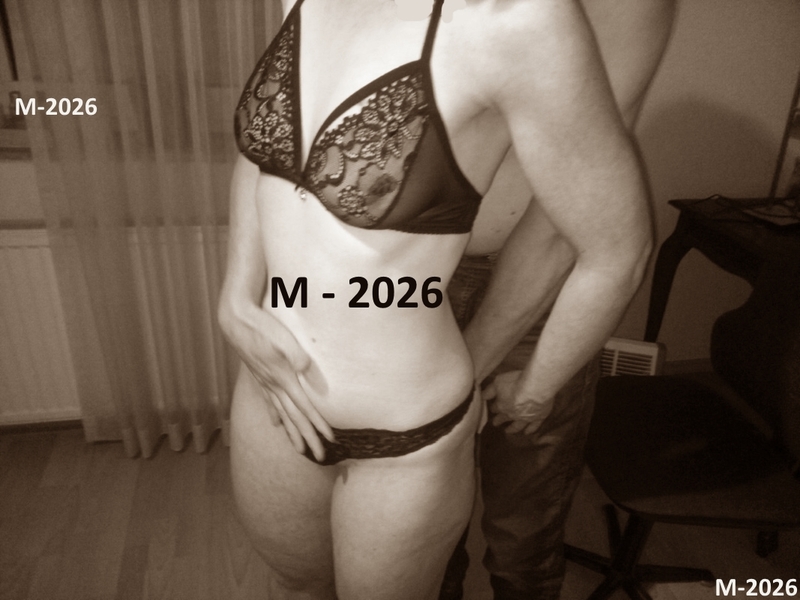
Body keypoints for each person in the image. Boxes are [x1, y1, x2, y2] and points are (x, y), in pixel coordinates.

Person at [216, 0, 652, 598]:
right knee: (298, 586)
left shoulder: (516, 21)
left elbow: (618, 252)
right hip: (271, 395)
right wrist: (236, 297)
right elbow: (262, 151)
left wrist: (535, 388)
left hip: (405, 438)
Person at [440, 1, 676, 598]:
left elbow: (575, 236)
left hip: (541, 292)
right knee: (423, 516)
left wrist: (506, 378)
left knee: (522, 529)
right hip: (418, 281)